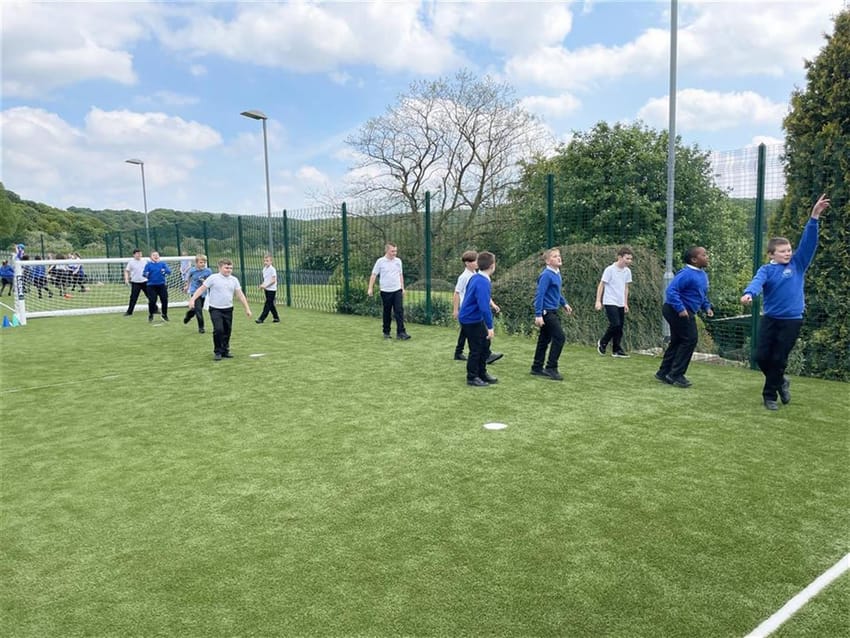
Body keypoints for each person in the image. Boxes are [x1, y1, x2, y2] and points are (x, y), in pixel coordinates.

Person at [741, 193, 830, 410]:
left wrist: (814, 218)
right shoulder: (766, 270)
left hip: (792, 320)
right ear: (771, 254)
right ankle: (780, 381)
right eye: (783, 251)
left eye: (789, 250)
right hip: (770, 319)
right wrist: (749, 293)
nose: (788, 253)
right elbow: (757, 282)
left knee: (779, 358)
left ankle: (770, 395)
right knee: (761, 356)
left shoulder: (798, 264)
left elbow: (808, 244)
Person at [655, 246, 714, 388]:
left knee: (677, 341)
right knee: (690, 339)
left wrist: (707, 307)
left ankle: (663, 372)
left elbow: (701, 294)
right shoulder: (686, 273)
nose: (707, 257)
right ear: (694, 260)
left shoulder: (702, 274)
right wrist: (680, 308)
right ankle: (675, 375)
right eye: (704, 255)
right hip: (676, 310)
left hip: (684, 310)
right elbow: (671, 290)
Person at [188, 258, 252, 361]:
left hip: (228, 309)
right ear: (220, 268)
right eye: (226, 268)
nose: (229, 270)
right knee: (218, 329)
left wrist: (247, 309)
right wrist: (192, 299)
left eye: (230, 268)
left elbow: (240, 295)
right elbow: (201, 289)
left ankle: (225, 350)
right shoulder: (213, 278)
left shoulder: (234, 280)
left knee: (227, 330)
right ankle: (217, 351)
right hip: (215, 309)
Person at [452, 250, 503, 363]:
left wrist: (492, 304)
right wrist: (456, 310)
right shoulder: (465, 277)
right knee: (475, 341)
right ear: (467, 263)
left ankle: (480, 360)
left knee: (470, 335)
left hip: (471, 313)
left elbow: (483, 296)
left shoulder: (477, 276)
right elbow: (457, 293)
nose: (476, 263)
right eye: (473, 261)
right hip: (469, 311)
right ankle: (473, 365)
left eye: (476, 260)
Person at [531, 248, 573, 381]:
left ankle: (536, 367)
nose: (559, 258)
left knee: (544, 339)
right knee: (560, 337)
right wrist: (538, 315)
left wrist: (564, 303)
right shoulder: (546, 275)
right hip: (546, 312)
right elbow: (540, 295)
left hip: (553, 310)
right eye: (555, 256)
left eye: (559, 255)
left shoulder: (557, 273)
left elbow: (556, 292)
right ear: (548, 261)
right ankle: (551, 367)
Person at [458, 251, 499, 387]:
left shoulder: (478, 278)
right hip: (470, 319)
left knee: (484, 345)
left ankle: (482, 373)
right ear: (492, 266)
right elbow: (483, 306)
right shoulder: (481, 281)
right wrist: (490, 326)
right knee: (476, 348)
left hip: (473, 318)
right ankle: (472, 377)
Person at [595, 246, 634, 358]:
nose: (629, 261)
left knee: (620, 326)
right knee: (615, 324)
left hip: (620, 302)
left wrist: (625, 303)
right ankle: (603, 342)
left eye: (630, 259)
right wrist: (598, 301)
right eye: (627, 258)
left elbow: (626, 287)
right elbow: (601, 284)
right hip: (610, 301)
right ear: (619, 257)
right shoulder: (609, 270)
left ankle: (616, 350)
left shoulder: (627, 271)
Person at [367, 243, 410, 340]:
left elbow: (400, 275)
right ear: (387, 251)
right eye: (392, 251)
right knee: (387, 311)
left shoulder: (398, 261)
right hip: (386, 291)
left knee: (399, 311)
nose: (394, 253)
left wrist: (402, 288)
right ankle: (386, 332)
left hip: (397, 289)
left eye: (396, 251)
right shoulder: (380, 262)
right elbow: (373, 275)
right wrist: (370, 288)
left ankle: (401, 332)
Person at [182, 254, 212, 333]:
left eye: (204, 262)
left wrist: (205, 282)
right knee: (198, 310)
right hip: (194, 292)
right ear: (196, 263)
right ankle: (201, 328)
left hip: (203, 293)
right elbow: (188, 278)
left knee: (197, 309)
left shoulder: (208, 271)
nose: (203, 264)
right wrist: (187, 286)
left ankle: (189, 315)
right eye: (201, 262)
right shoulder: (192, 270)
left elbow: (210, 281)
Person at [143, 250, 172, 322]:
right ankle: (151, 314)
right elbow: (144, 274)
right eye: (154, 255)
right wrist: (146, 274)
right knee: (152, 301)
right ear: (150, 257)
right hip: (151, 286)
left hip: (161, 285)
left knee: (164, 300)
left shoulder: (162, 264)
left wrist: (164, 271)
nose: (156, 256)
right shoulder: (148, 265)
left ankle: (164, 314)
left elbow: (169, 271)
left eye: (157, 255)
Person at [255, 254, 281, 324]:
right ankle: (276, 318)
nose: (266, 262)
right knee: (271, 304)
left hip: (272, 290)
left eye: (267, 261)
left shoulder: (272, 269)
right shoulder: (264, 269)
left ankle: (261, 319)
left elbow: (273, 280)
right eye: (265, 261)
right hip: (267, 289)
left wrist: (266, 286)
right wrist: (262, 285)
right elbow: (266, 280)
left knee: (267, 304)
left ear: (271, 262)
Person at [123, 249, 148, 316]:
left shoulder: (145, 261)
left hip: (145, 281)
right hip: (135, 282)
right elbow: (126, 271)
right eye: (137, 253)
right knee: (133, 298)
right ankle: (129, 312)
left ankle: (155, 309)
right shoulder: (131, 262)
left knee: (150, 296)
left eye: (140, 253)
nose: (139, 255)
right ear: (134, 255)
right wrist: (126, 279)